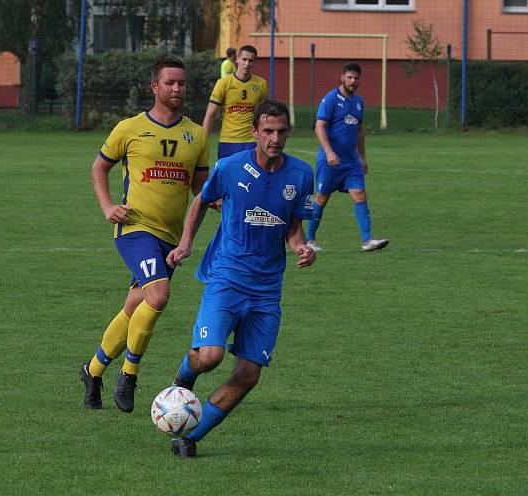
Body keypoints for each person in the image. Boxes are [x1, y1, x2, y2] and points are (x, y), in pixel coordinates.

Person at [165, 100, 316, 459]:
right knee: (211, 358)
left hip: (267, 290)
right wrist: (186, 243)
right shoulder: (230, 168)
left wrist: (301, 248)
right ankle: (185, 375)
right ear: (255, 133)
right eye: (268, 131)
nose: (275, 138)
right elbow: (201, 201)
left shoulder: (301, 174)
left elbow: (293, 225)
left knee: (248, 375)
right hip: (228, 277)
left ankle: (190, 436)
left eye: (281, 131)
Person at [80, 56, 210, 413]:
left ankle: (92, 371)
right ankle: (130, 373)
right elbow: (99, 167)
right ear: (155, 87)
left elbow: (202, 189)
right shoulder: (129, 128)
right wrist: (108, 207)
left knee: (136, 305)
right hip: (135, 229)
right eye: (170, 83)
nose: (177, 89)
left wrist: (224, 203)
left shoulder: (196, 135)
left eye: (182, 83)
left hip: (169, 237)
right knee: (159, 294)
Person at [306, 62, 389, 253]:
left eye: (356, 78)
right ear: (342, 77)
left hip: (351, 162)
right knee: (321, 198)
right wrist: (328, 152)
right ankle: (309, 239)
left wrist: (362, 157)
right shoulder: (330, 99)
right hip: (330, 161)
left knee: (360, 194)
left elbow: (359, 130)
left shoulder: (359, 102)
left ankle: (367, 241)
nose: (353, 81)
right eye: (350, 77)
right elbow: (319, 126)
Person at [202, 44, 269, 160]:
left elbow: (264, 115)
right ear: (237, 59)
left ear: (255, 62)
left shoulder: (261, 84)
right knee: (227, 176)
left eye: (251, 60)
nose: (247, 64)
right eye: (244, 59)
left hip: (252, 141)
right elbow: (210, 114)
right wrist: (202, 142)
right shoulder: (223, 83)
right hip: (228, 141)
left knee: (251, 177)